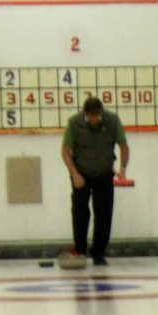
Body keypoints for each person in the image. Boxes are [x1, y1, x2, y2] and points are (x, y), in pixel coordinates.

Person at [61, 95, 129, 267]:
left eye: (97, 116)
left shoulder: (113, 121)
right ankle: (80, 250)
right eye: (91, 116)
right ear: (85, 114)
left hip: (105, 173)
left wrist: (122, 169)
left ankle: (98, 252)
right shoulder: (74, 123)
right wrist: (75, 174)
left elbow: (124, 146)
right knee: (80, 213)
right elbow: (65, 151)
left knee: (104, 213)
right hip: (81, 174)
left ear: (101, 112)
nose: (94, 120)